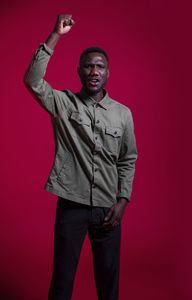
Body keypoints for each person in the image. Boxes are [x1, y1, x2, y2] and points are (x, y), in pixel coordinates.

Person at [24, 14, 138, 300]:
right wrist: (55, 35)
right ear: (79, 71)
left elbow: (128, 159)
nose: (94, 71)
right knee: (62, 284)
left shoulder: (123, 114)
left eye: (100, 67)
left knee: (108, 284)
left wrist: (123, 200)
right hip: (70, 206)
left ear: (108, 72)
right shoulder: (63, 103)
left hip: (107, 210)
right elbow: (32, 80)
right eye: (88, 66)